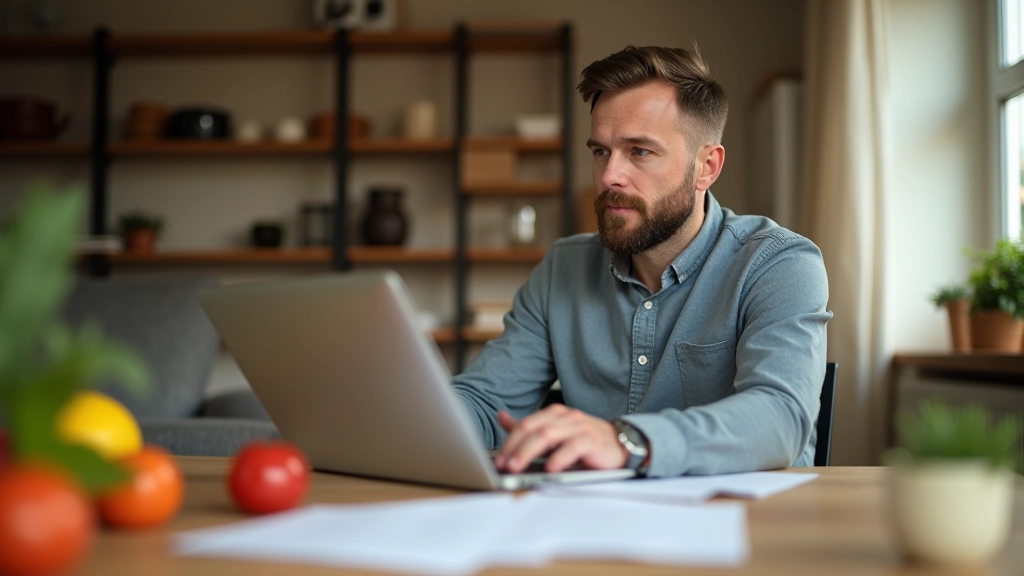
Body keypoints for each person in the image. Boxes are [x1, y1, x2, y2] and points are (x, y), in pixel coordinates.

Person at [453, 45, 832, 477]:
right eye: (600, 152)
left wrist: (626, 441)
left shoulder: (779, 264)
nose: (610, 175)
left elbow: (780, 419)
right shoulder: (564, 269)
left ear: (706, 166)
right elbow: (485, 402)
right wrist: (411, 420)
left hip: (749, 526)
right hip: (597, 524)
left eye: (640, 151)